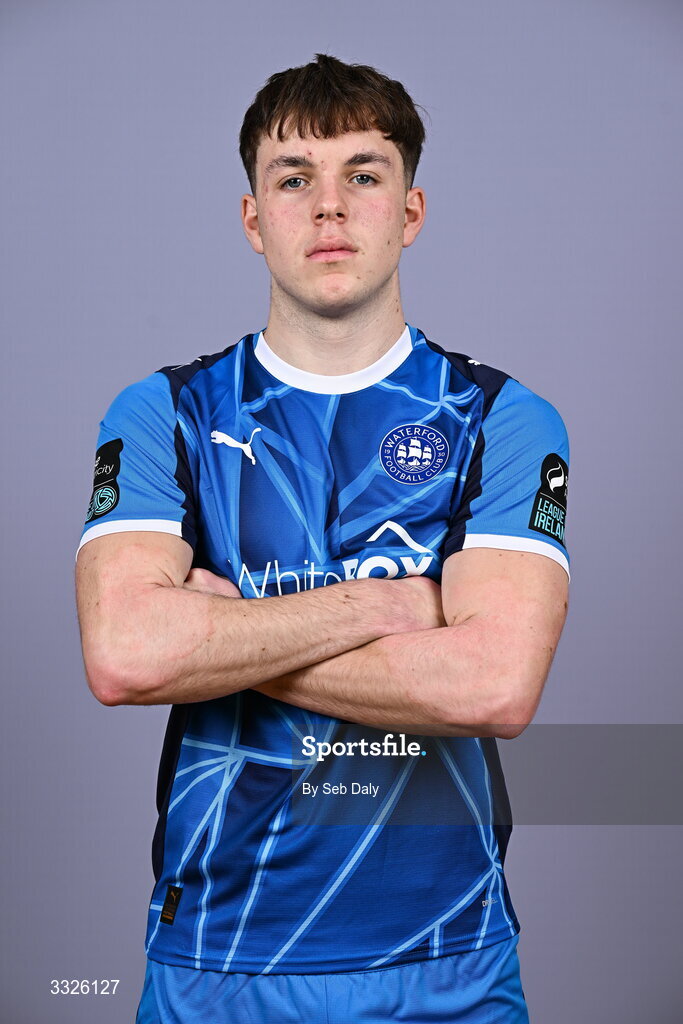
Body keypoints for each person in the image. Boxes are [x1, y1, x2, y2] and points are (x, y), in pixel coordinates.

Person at [75, 53, 569, 1024]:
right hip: (216, 961)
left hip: (445, 964)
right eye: (294, 177)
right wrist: (387, 605)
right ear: (254, 219)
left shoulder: (500, 418)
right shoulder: (162, 416)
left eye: (363, 174)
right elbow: (126, 655)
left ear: (409, 212)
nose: (329, 207)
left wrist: (221, 635)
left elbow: (491, 685)